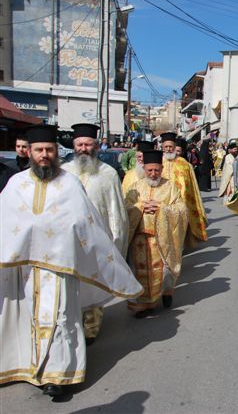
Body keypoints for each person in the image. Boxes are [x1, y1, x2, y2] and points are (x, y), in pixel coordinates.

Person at [0, 125, 142, 397]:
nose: (44, 155)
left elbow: (86, 223)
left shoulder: (69, 183)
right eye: (39, 150)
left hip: (60, 266)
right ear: (29, 152)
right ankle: (23, 366)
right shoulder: (16, 184)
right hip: (24, 270)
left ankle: (59, 374)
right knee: (24, 316)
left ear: (56, 152)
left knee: (60, 317)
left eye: (49, 150)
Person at [61, 123, 129, 345]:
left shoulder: (108, 174)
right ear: (74, 146)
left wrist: (116, 239)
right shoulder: (63, 172)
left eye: (88, 144)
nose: (83, 148)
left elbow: (116, 210)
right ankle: (71, 321)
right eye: (79, 144)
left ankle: (91, 328)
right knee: (71, 284)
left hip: (97, 238)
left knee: (93, 282)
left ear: (96, 146)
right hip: (68, 239)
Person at [124, 150, 188, 317]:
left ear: (161, 168)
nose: (153, 174)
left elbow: (182, 210)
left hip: (162, 238)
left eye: (157, 170)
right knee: (139, 272)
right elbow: (125, 209)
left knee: (164, 271)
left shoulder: (170, 186)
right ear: (144, 168)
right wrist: (139, 207)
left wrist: (161, 208)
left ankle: (166, 293)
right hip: (139, 239)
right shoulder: (135, 188)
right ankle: (143, 306)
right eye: (149, 170)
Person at [160, 132, 208, 245]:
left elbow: (192, 186)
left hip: (180, 202)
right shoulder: (158, 162)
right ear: (162, 147)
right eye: (165, 147)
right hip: (162, 202)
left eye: (170, 147)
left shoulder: (184, 164)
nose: (168, 149)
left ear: (174, 147)